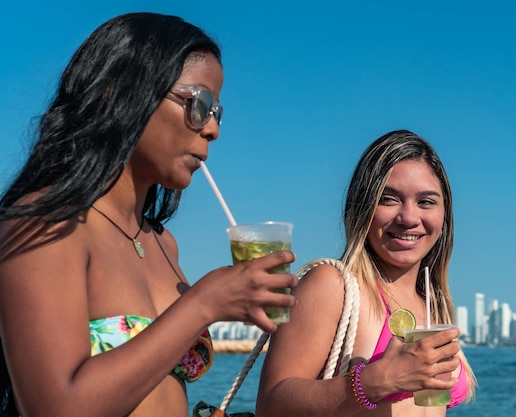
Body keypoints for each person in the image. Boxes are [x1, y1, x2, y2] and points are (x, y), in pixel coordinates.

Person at [0, 12, 297, 417]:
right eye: (200, 105)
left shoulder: (163, 243)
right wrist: (203, 305)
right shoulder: (45, 224)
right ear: (118, 93)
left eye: (217, 112)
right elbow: (56, 406)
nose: (212, 129)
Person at [256, 130, 476, 417]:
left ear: (444, 215)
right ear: (362, 207)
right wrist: (376, 382)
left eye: (426, 202)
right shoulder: (333, 285)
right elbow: (271, 406)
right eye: (388, 199)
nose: (409, 218)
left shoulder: (433, 303)